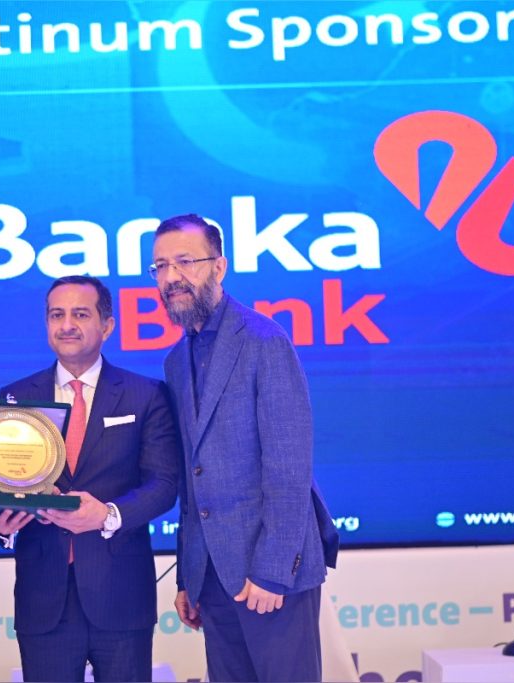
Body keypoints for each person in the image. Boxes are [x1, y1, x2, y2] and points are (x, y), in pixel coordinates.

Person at [151, 214, 340, 683]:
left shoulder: (263, 340)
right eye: (160, 266)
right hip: (212, 577)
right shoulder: (176, 361)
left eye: (185, 262)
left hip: (270, 575)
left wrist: (273, 570)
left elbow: (289, 465)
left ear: (219, 267)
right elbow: (193, 478)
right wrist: (188, 575)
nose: (171, 277)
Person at [0, 275, 180, 682]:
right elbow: (0, 488)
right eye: (57, 315)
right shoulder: (14, 397)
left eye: (80, 314)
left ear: (107, 326)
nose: (67, 325)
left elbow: (164, 486)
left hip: (120, 595)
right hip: (43, 598)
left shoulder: (146, 394)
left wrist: (107, 514)